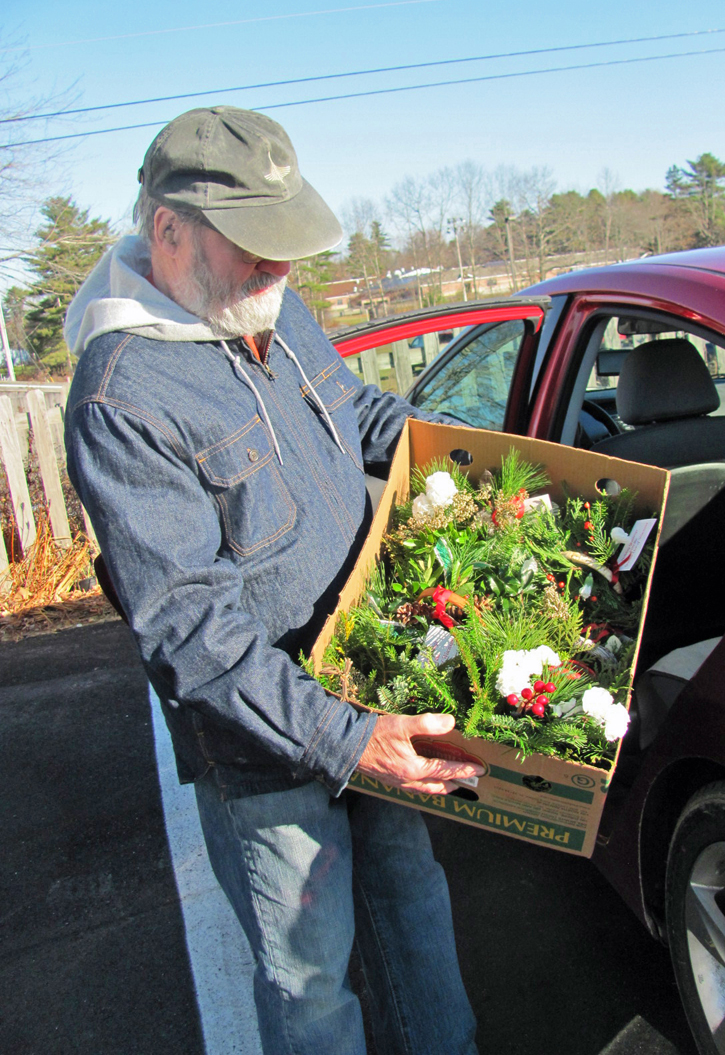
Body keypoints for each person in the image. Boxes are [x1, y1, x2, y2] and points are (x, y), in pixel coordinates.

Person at [64, 105, 483, 1055]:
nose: (282, 271)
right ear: (169, 231)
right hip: (266, 754)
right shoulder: (121, 397)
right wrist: (346, 739)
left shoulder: (266, 304)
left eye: (288, 246)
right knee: (311, 982)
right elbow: (188, 630)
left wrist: (473, 461)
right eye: (258, 248)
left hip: (370, 688)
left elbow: (358, 411)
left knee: (413, 902)